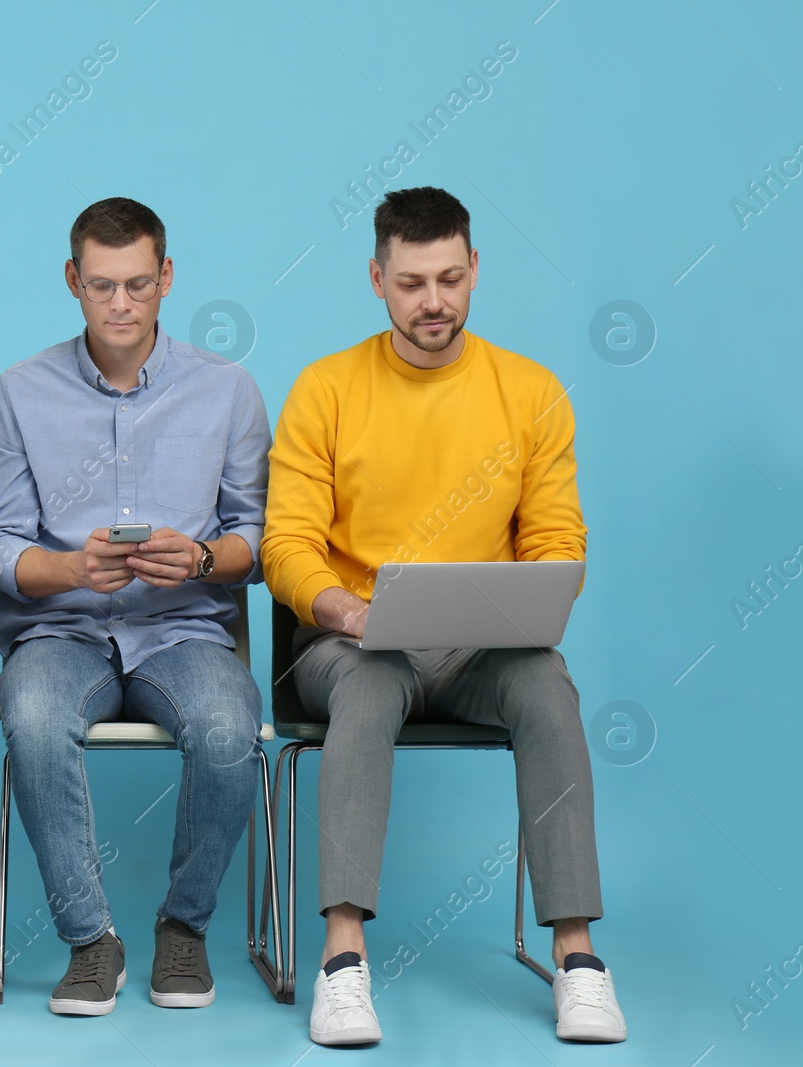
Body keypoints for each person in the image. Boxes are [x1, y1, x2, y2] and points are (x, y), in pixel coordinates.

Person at [262, 186, 627, 1046]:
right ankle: (342, 962)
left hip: (479, 652)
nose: (435, 301)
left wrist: (541, 596)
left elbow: (555, 538)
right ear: (377, 279)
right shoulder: (326, 388)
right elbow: (286, 544)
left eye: (451, 279)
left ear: (474, 273)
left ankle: (578, 959)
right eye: (414, 281)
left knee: (546, 684)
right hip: (348, 644)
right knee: (370, 685)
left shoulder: (531, 392)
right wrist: (345, 607)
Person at [0, 197, 270, 1016]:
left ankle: (185, 925)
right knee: (32, 717)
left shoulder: (228, 391)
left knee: (226, 726)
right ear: (72, 280)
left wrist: (203, 557)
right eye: (102, 285)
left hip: (182, 629)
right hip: (61, 631)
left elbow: (258, 538)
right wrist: (70, 567)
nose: (120, 304)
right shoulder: (18, 392)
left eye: (139, 284)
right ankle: (90, 939)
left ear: (167, 278)